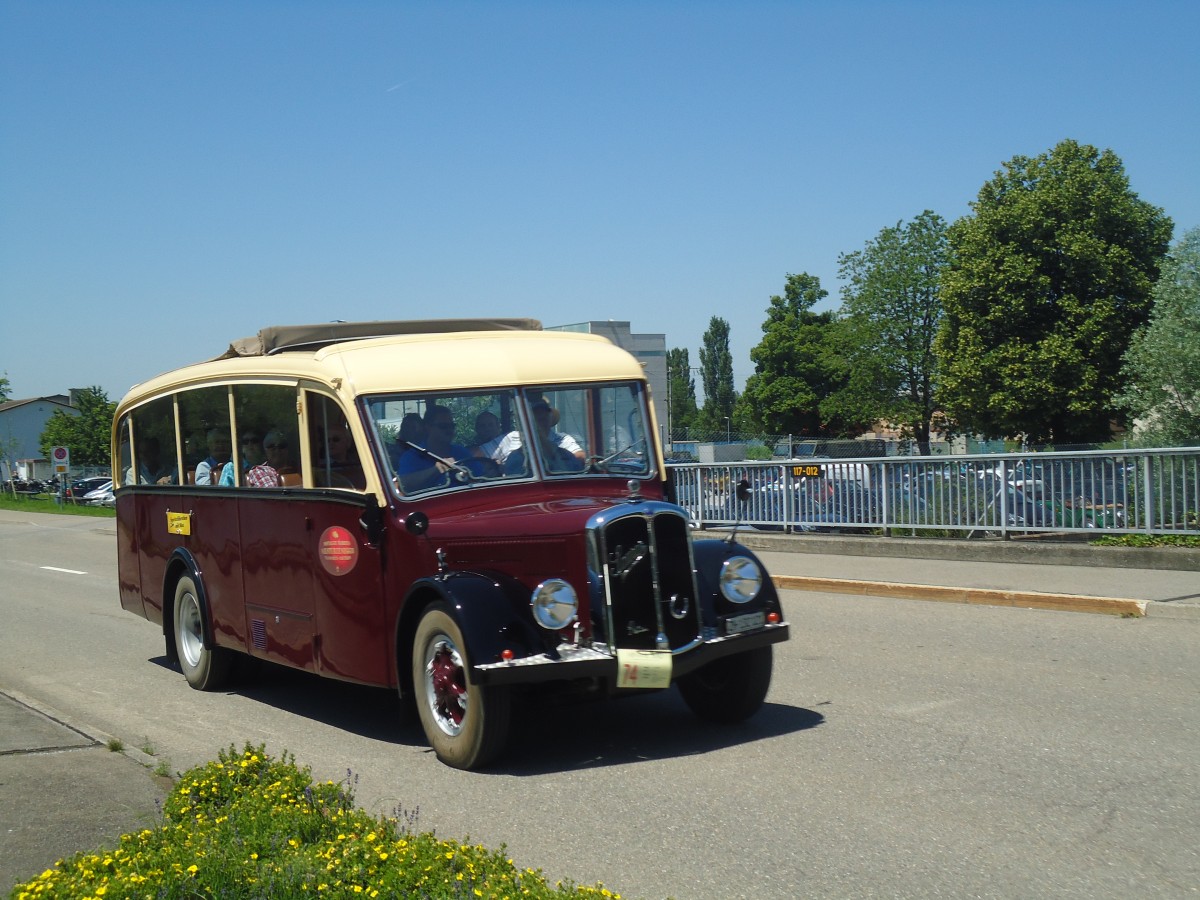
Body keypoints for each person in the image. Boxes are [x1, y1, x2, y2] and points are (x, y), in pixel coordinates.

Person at [395, 406, 471, 492]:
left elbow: (479, 478)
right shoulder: (412, 456)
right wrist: (436, 469)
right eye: (443, 426)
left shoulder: (462, 452)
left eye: (452, 426)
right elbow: (402, 485)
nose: (449, 430)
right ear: (428, 427)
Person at [499, 398, 585, 475]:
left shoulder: (564, 449)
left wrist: (549, 448)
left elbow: (577, 467)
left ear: (550, 420)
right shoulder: (516, 458)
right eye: (536, 420)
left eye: (544, 419)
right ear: (526, 424)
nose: (541, 425)